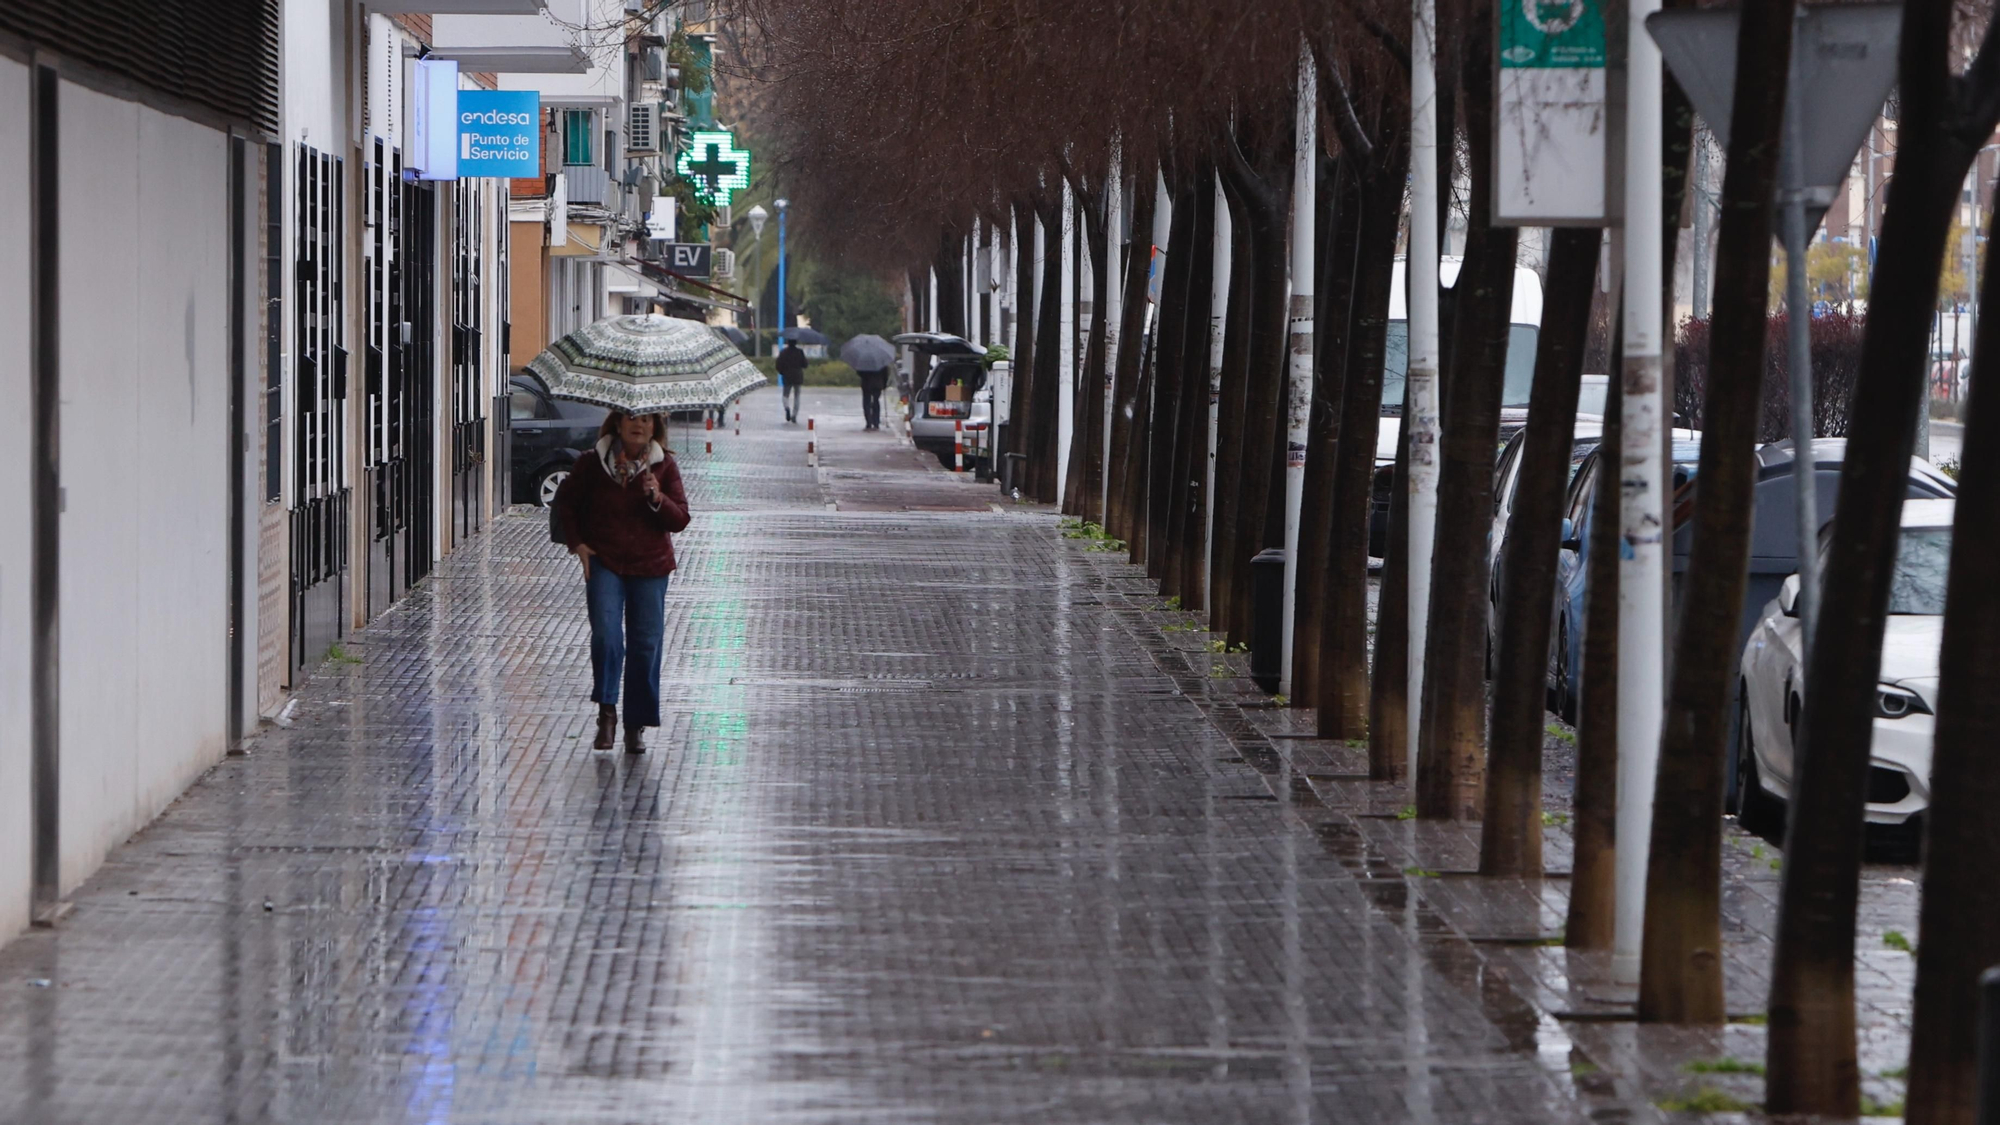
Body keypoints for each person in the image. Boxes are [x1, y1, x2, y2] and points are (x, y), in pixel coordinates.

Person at [553, 410, 690, 754]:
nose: (638, 424)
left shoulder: (664, 466)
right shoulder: (591, 463)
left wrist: (657, 497)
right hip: (605, 562)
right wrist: (578, 544)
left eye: (646, 419)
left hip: (651, 566)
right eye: (631, 418)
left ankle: (635, 724)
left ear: (655, 427)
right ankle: (608, 712)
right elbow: (566, 505)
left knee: (646, 644)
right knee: (607, 635)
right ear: (617, 424)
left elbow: (680, 520)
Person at [775, 341, 807, 423]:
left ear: (788, 343)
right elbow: (805, 364)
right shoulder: (800, 352)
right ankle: (794, 415)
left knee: (785, 395)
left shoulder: (783, 352)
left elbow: (778, 365)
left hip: (787, 376)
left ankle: (787, 408)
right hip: (798, 377)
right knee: (797, 396)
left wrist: (782, 372)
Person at [857, 365, 889, 430]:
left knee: (866, 403)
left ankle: (868, 423)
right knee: (876, 402)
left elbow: (859, 372)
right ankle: (876, 423)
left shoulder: (864, 362)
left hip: (866, 384)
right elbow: (885, 374)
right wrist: (884, 384)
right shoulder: (881, 362)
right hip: (877, 384)